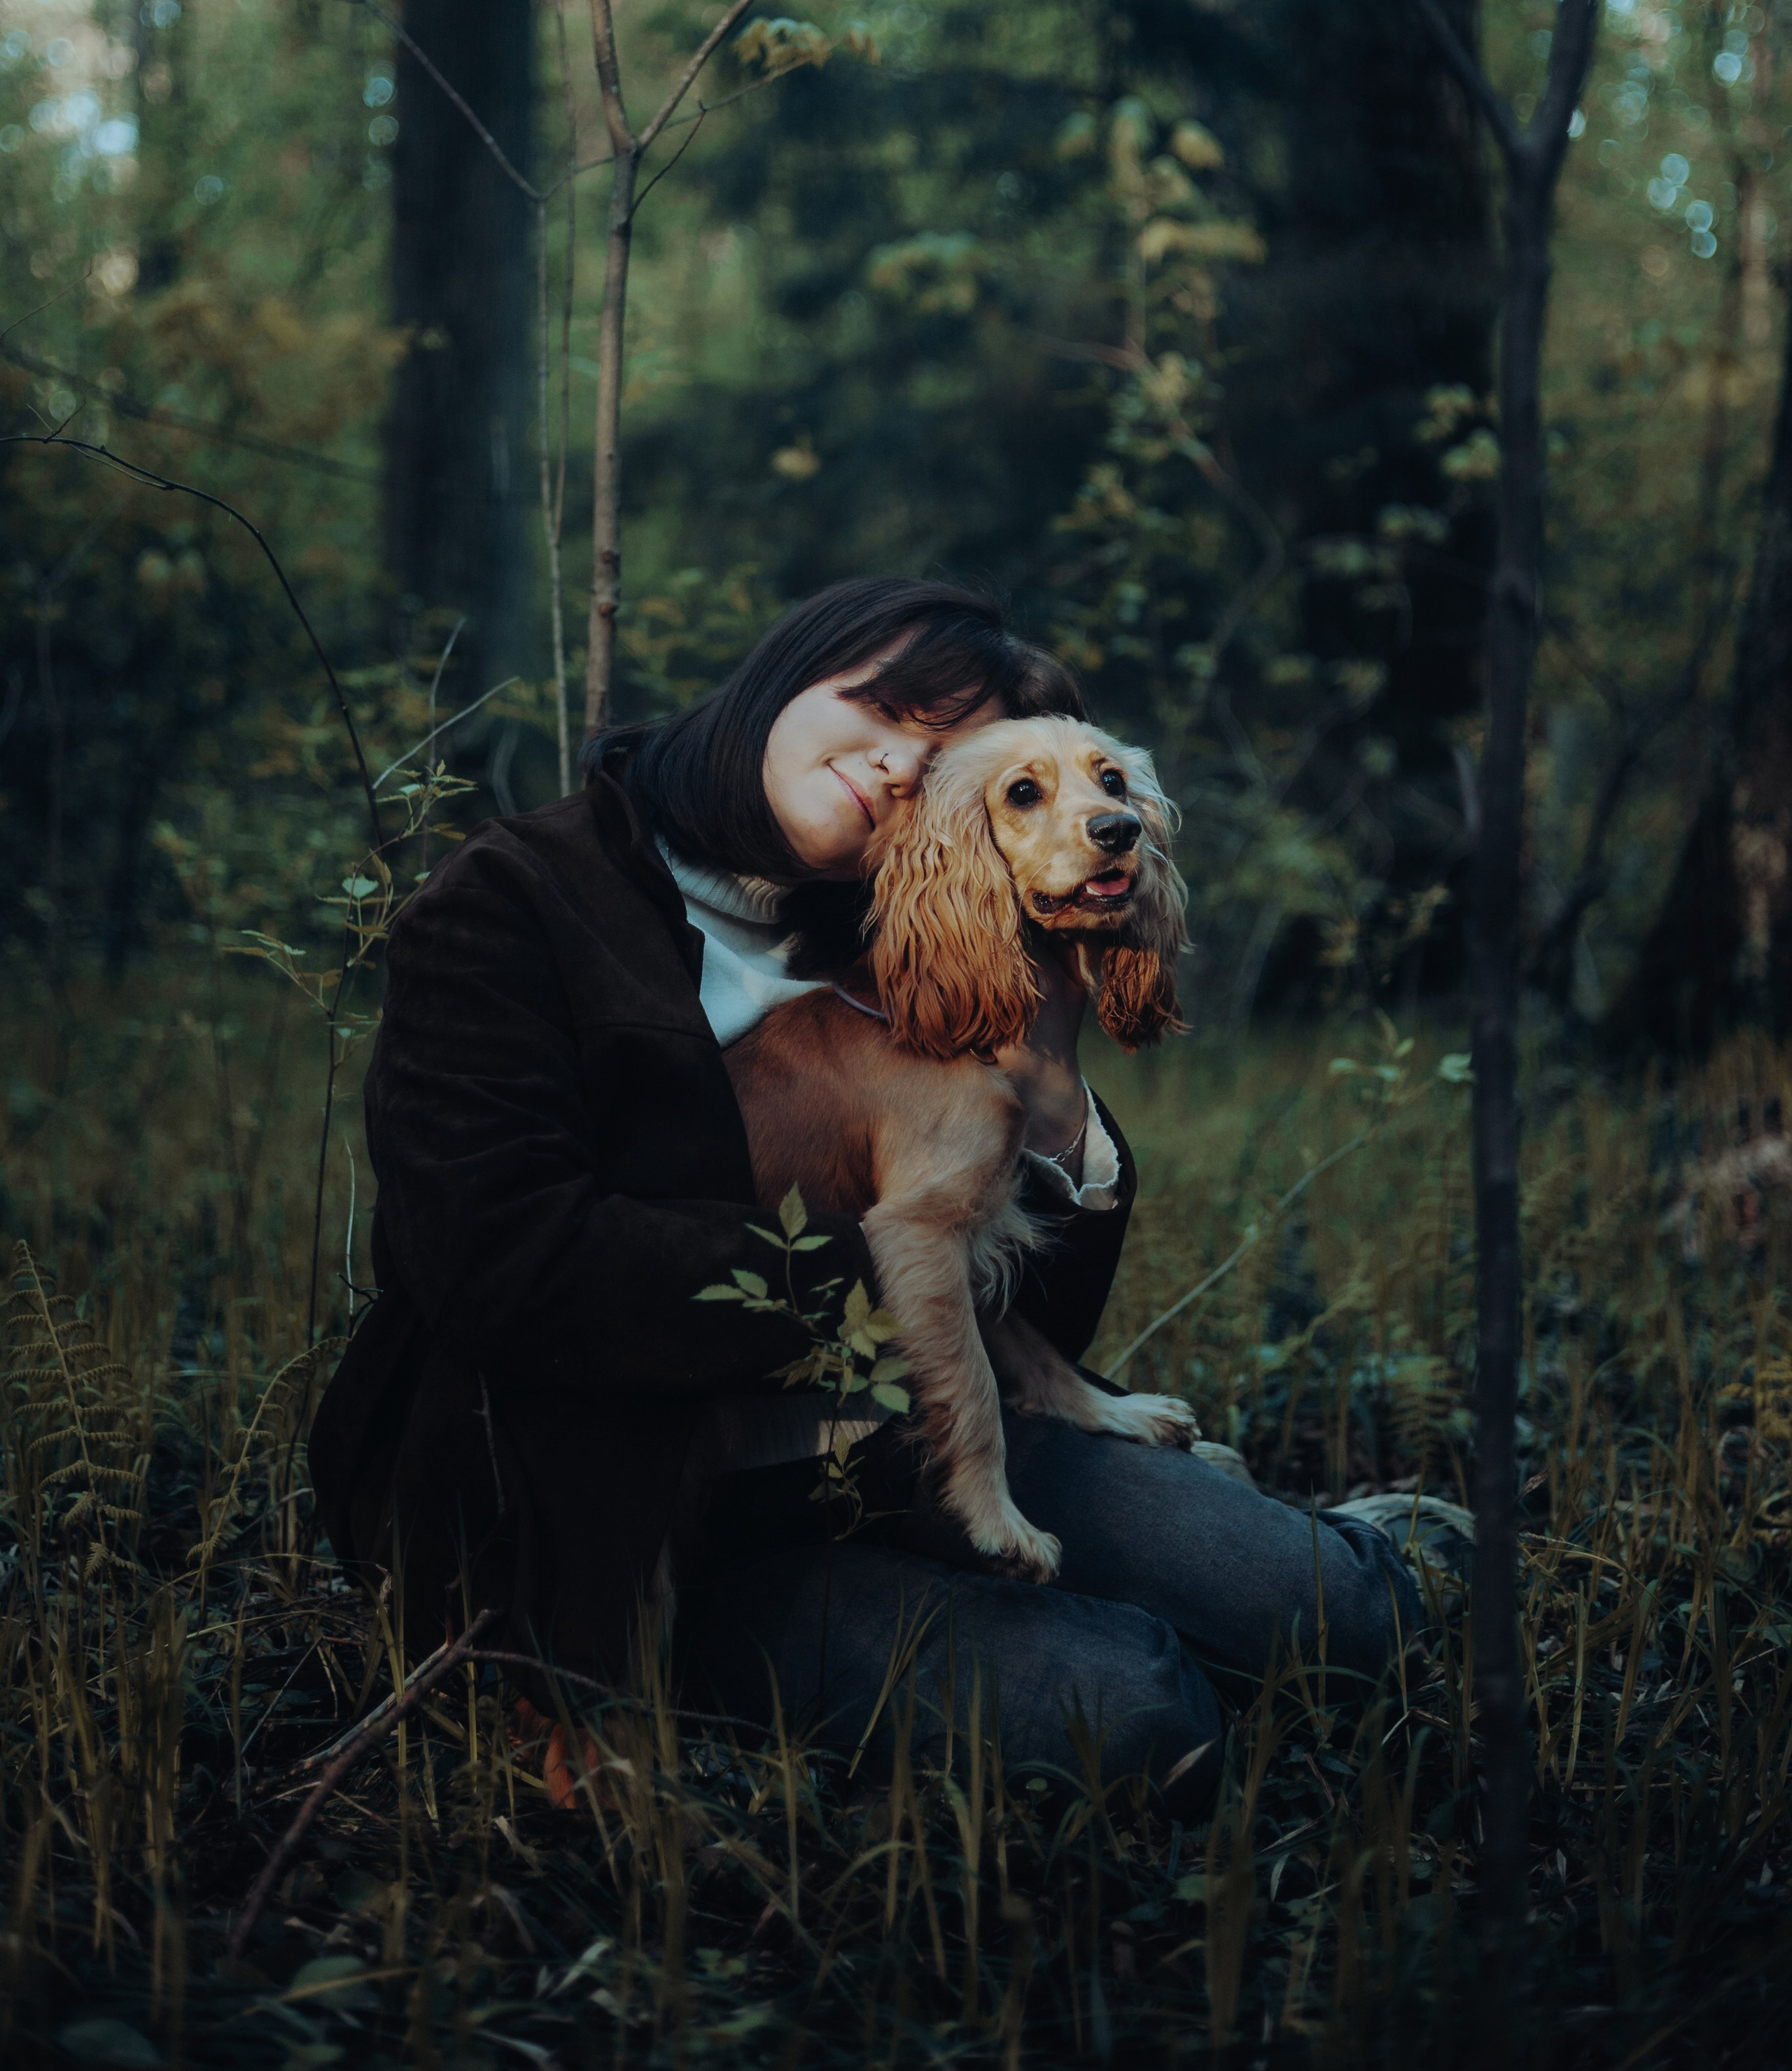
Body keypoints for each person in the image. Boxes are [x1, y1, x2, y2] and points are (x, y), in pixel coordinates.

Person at [310, 577, 1420, 1817]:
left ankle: (1372, 1546)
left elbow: (1033, 1297)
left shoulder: (917, 919)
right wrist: (899, 1271)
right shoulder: (519, 895)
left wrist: (1051, 1099)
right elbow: (498, 1260)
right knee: (1140, 1717)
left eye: (946, 754)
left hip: (884, 1452)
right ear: (783, 677)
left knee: (1340, 1615)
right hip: (620, 1511)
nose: (900, 764)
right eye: (878, 707)